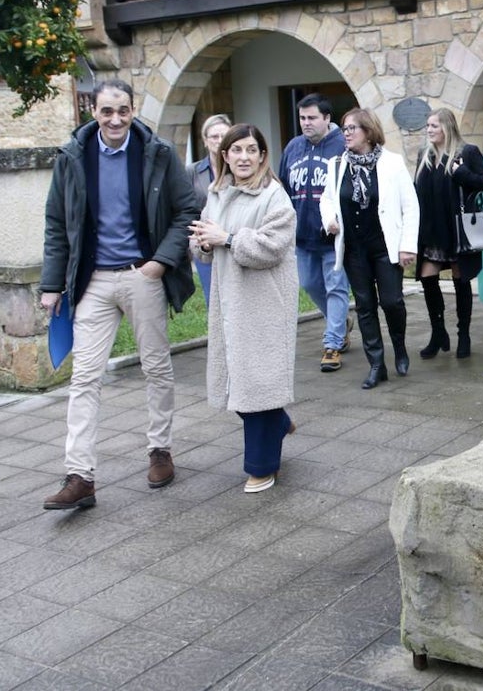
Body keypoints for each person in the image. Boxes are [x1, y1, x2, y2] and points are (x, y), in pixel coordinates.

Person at [39, 79, 197, 510]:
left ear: (132, 110)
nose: (115, 119)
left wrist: (160, 262)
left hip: (141, 275)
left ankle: (160, 450)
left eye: (122, 111)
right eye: (107, 111)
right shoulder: (72, 157)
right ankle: (80, 475)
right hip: (93, 281)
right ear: (93, 110)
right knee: (84, 377)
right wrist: (52, 284)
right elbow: (57, 223)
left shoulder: (157, 153)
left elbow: (187, 210)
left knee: (156, 367)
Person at [190, 124, 298, 494]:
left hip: (264, 304)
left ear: (263, 156)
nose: (244, 157)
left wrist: (229, 238)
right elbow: (203, 244)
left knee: (259, 385)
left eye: (252, 150)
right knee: (239, 383)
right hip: (229, 303)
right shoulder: (217, 193)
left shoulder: (274, 196)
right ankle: (280, 421)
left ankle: (261, 467)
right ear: (224, 156)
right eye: (236, 150)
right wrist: (203, 243)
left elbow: (272, 247)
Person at [320, 108, 419, 389]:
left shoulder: (392, 163)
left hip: (385, 247)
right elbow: (327, 200)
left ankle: (399, 347)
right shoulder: (337, 165)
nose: (346, 134)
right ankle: (377, 364)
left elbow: (410, 207)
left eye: (352, 128)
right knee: (365, 306)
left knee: (392, 302)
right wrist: (330, 220)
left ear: (369, 131)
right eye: (344, 129)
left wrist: (407, 246)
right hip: (353, 249)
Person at [279, 93, 351, 373]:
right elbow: (284, 188)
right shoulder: (293, 147)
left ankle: (333, 344)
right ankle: (340, 321)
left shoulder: (341, 146)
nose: (305, 123)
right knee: (310, 284)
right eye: (302, 118)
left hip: (333, 237)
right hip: (302, 236)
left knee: (336, 287)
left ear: (327, 118)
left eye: (312, 118)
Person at [414, 108, 483, 359]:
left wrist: (461, 174)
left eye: (434, 126)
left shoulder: (466, 152)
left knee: (460, 282)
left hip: (457, 230)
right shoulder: (424, 156)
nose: (429, 130)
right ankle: (438, 333)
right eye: (427, 126)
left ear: (447, 127)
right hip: (431, 229)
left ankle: (464, 335)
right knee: (427, 278)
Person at [188, 113, 231, 306]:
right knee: (214, 301)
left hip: (232, 240)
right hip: (206, 245)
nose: (220, 141)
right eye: (214, 136)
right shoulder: (193, 172)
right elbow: (186, 207)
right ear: (205, 141)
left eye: (224, 135)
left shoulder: (239, 167)